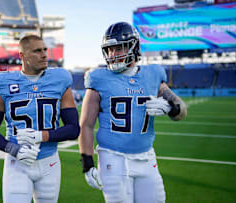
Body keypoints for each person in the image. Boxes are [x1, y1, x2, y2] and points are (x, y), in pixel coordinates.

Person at [78, 22, 187, 203]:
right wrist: (86, 162)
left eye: (119, 48)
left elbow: (180, 109)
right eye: (110, 49)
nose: (113, 54)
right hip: (113, 158)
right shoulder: (98, 78)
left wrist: (172, 108)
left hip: (146, 157)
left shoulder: (153, 74)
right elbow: (86, 125)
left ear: (134, 47)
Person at [0, 34, 80, 203]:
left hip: (50, 162)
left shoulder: (60, 80)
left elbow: (73, 129)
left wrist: (42, 136)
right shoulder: (4, 83)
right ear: (22, 56)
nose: (44, 55)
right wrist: (13, 149)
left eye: (45, 50)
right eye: (37, 51)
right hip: (17, 163)